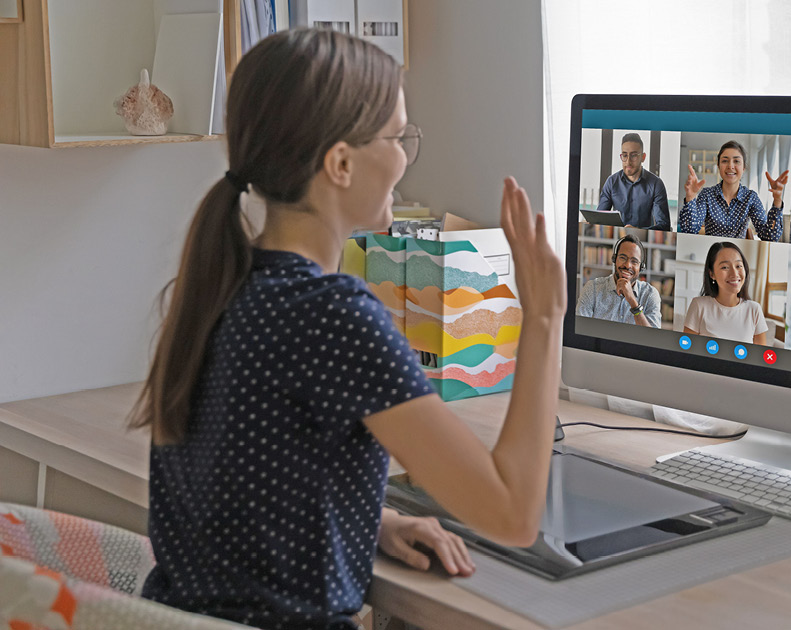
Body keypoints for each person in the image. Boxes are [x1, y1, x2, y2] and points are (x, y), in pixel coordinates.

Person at [128, 29, 566, 630]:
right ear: (340, 163)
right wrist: (542, 316)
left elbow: (245, 481)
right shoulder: (333, 314)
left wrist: (370, 520)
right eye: (397, 137)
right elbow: (513, 512)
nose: (406, 156)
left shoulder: (228, 284)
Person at [678, 140, 788, 241]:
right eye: (725, 161)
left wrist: (777, 201)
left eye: (736, 161)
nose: (730, 166)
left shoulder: (751, 197)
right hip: (711, 254)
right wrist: (690, 197)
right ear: (718, 165)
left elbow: (770, 237)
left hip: (737, 256)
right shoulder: (707, 194)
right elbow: (689, 231)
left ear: (743, 167)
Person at [682, 241, 768, 344]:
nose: (735, 274)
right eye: (725, 267)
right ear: (712, 274)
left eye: (738, 266)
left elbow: (760, 357)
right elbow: (686, 351)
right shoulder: (699, 305)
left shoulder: (754, 310)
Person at [576, 233, 662, 328]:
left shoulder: (650, 294)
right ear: (614, 259)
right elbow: (579, 328)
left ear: (641, 267)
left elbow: (652, 338)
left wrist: (633, 302)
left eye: (634, 261)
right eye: (623, 258)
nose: (628, 265)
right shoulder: (592, 288)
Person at [595, 133, 670, 230]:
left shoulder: (656, 184)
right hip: (616, 238)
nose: (628, 161)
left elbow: (664, 226)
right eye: (625, 155)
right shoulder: (611, 182)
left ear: (643, 157)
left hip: (643, 240)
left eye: (634, 155)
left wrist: (638, 231)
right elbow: (600, 219)